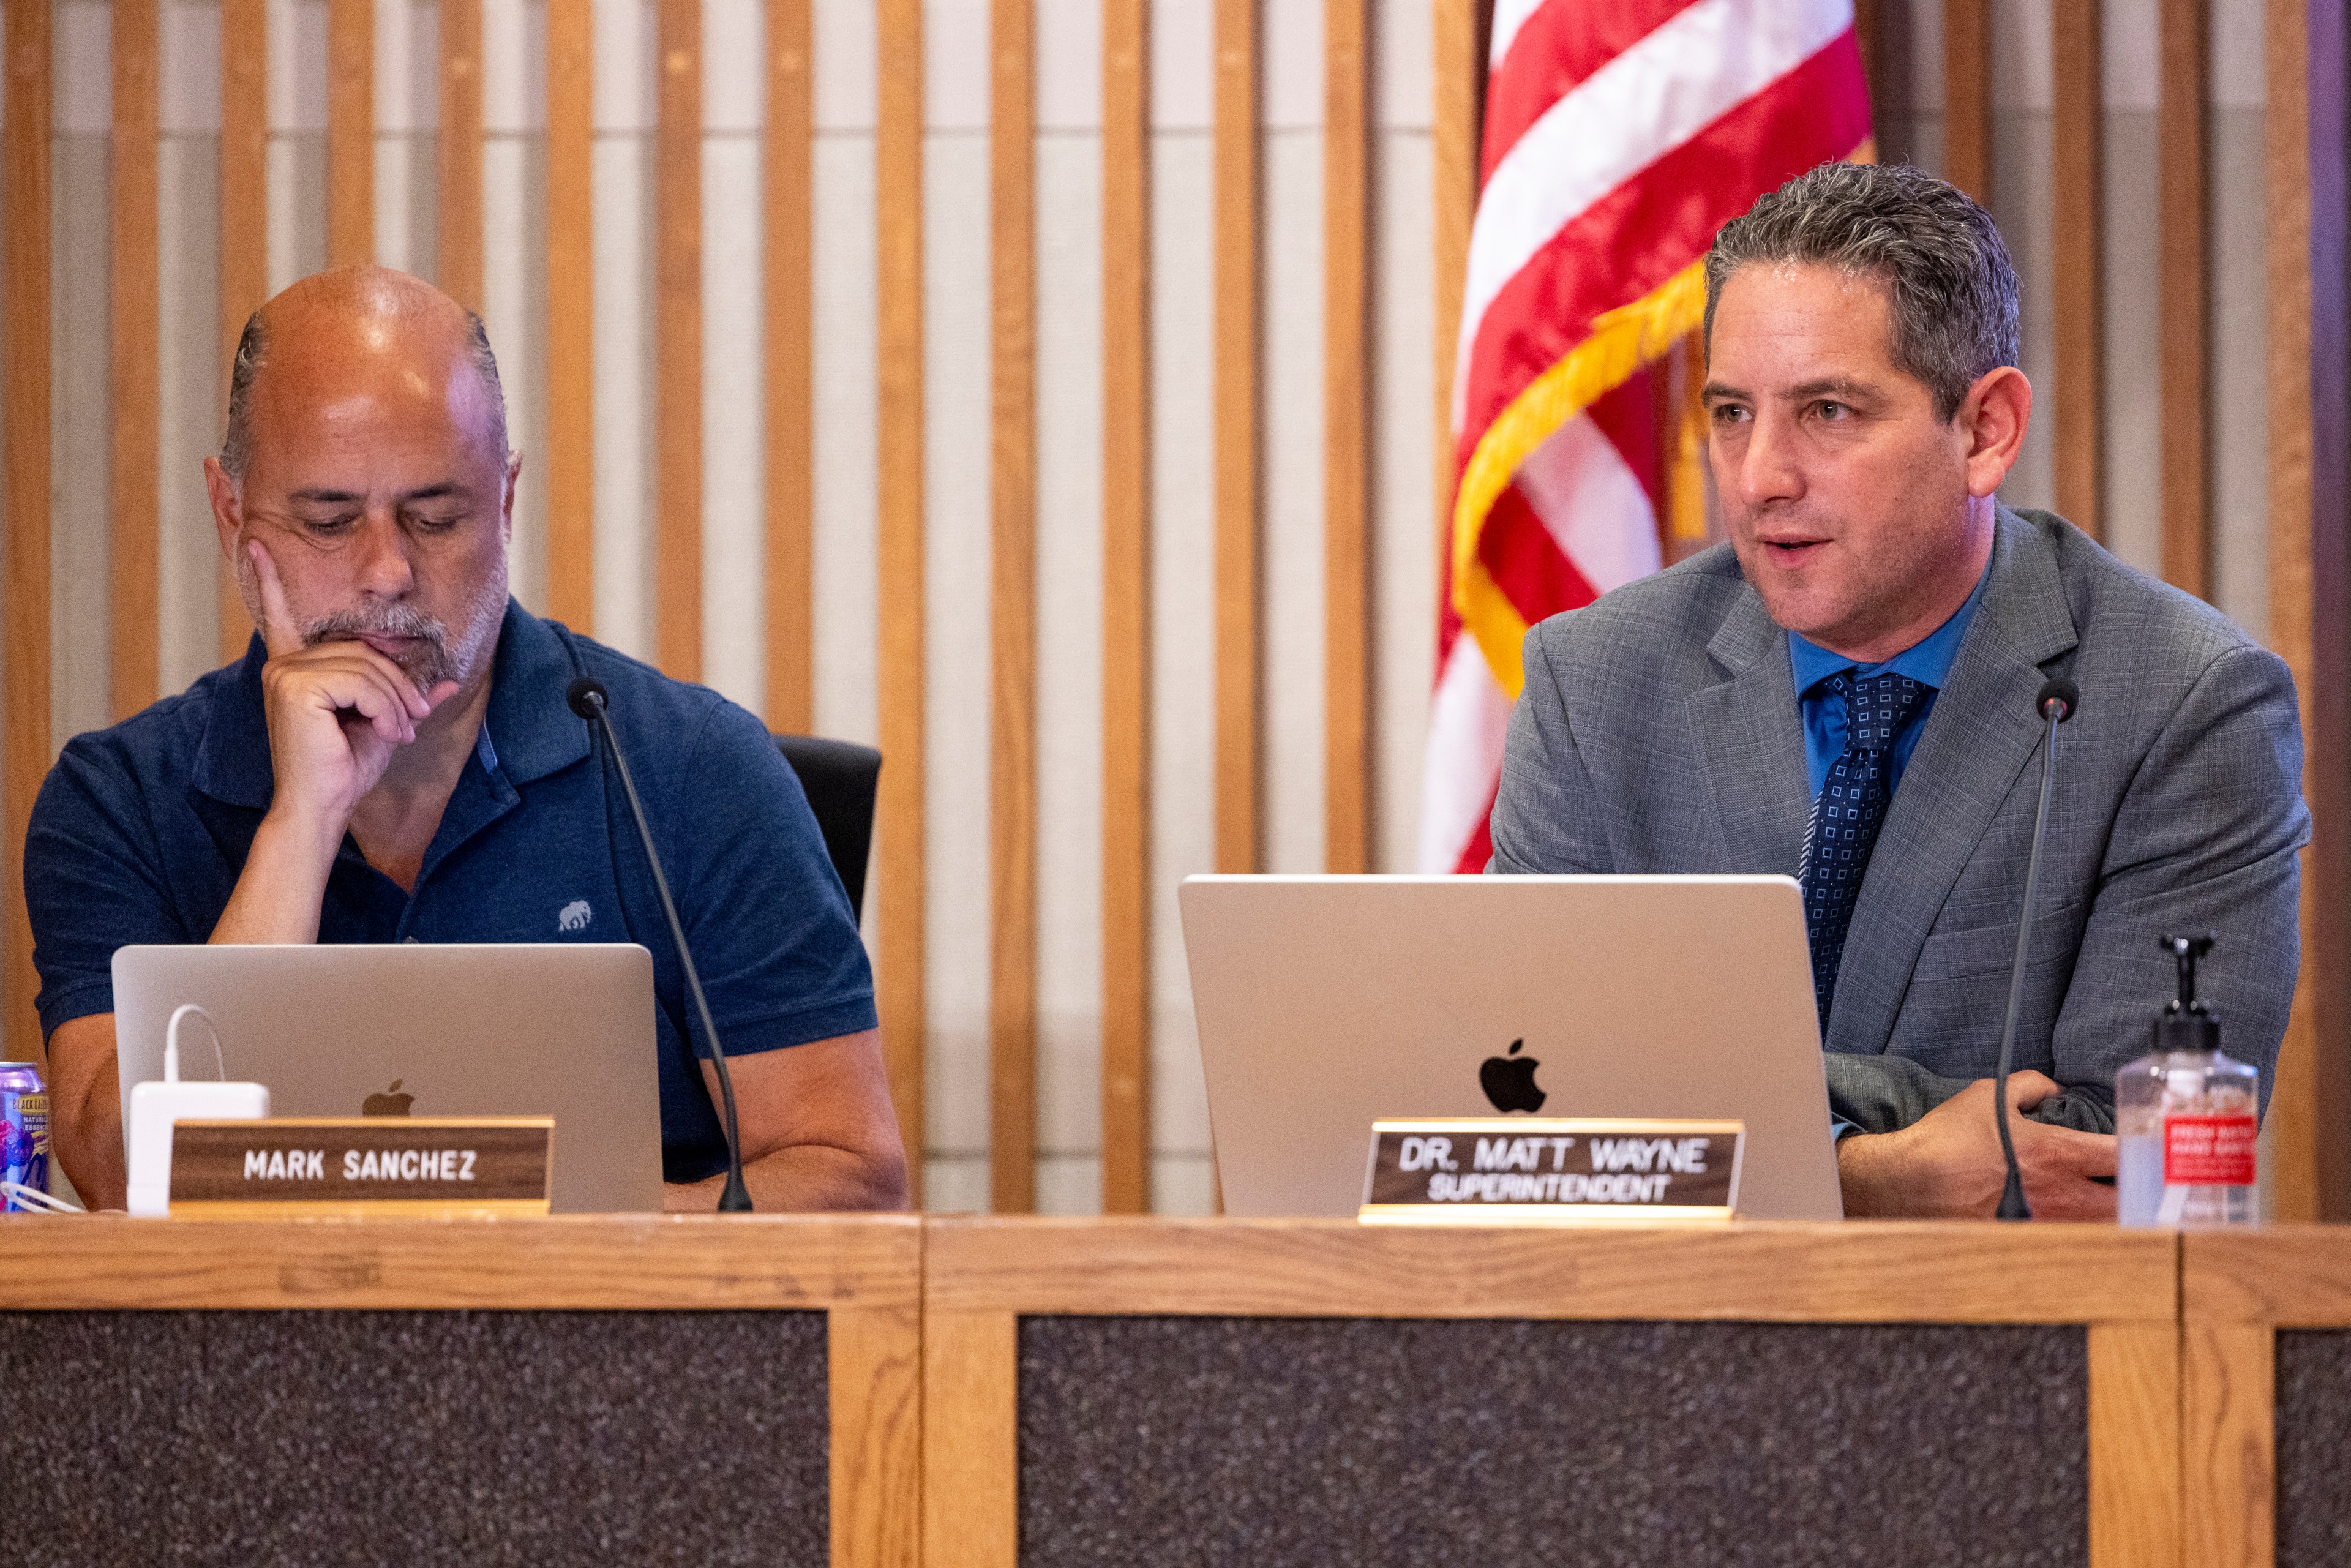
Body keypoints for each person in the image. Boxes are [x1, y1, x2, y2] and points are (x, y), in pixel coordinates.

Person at [1488, 162, 2308, 1220]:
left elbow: (2133, 1162)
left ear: (1984, 432)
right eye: (1732, 412)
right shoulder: (1593, 683)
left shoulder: (2185, 703)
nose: (1758, 477)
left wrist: (1685, 1114)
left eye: (1827, 411)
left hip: (2019, 1365)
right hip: (1646, 1344)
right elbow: (1524, 1113)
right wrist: (1874, 1169)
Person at [28, 266, 907, 1213]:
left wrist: (526, 1229)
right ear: (232, 510)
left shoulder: (696, 770)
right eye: (329, 521)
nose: (388, 571)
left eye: (435, 516)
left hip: (615, 1347)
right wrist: (303, 822)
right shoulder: (116, 800)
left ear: (507, 500)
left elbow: (850, 1176)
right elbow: (127, 1173)